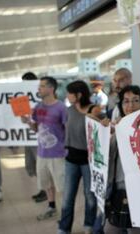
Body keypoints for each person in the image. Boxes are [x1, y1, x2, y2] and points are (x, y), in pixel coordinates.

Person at [21, 76, 68, 220]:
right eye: (39, 86)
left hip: (58, 154)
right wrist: (28, 122)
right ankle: (51, 207)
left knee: (62, 186)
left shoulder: (61, 108)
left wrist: (68, 151)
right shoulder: (38, 107)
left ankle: (66, 212)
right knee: (47, 184)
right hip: (42, 153)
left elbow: (67, 130)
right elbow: (36, 128)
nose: (38, 89)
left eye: (41, 86)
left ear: (51, 88)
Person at [104, 85, 140, 234]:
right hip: (119, 185)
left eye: (136, 100)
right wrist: (105, 134)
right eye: (126, 101)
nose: (130, 106)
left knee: (136, 230)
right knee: (111, 228)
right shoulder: (117, 126)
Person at [58, 80, 98, 234]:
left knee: (90, 196)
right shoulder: (68, 110)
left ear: (79, 94)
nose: (67, 96)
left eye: (70, 93)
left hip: (89, 160)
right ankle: (64, 228)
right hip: (71, 159)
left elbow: (100, 130)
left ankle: (89, 224)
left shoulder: (94, 109)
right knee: (68, 197)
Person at [22, 71, 47, 203]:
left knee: (40, 166)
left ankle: (45, 191)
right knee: (30, 166)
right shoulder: (22, 97)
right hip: (28, 136)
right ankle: (42, 189)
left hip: (39, 137)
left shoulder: (41, 97)